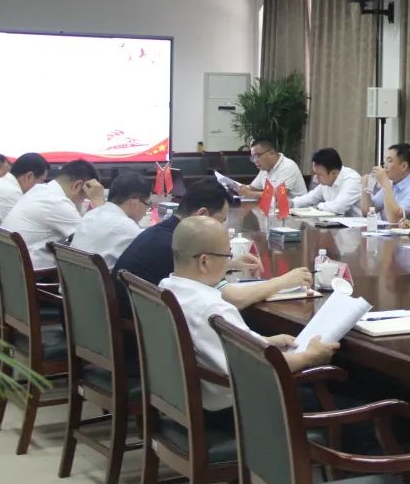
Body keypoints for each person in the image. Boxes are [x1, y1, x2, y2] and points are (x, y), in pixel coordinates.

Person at [158, 215, 338, 428]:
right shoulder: (212, 308)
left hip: (189, 402)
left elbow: (223, 345)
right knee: (339, 403)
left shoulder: (166, 287)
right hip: (236, 412)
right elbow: (259, 366)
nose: (228, 262)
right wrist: (309, 356)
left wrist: (265, 341)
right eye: (227, 255)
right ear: (204, 261)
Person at [112, 178, 312, 318]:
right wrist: (283, 281)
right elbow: (234, 299)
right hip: (147, 342)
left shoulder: (163, 233)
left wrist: (229, 263)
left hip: (141, 329)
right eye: (221, 220)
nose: (222, 227)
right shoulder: (176, 246)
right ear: (202, 214)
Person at [0, 159, 104, 274]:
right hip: (27, 277)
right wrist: (98, 201)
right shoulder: (57, 202)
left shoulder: (40, 190)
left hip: (7, 275)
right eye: (85, 198)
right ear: (77, 186)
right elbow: (96, 240)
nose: (84, 202)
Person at [70, 171, 151, 269]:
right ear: (134, 201)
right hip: (99, 279)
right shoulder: (126, 227)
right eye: (147, 205)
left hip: (73, 277)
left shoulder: (90, 215)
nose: (146, 212)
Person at [361, 143, 410, 223]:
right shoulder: (392, 183)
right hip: (394, 230)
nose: (385, 166)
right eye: (385, 161)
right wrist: (365, 186)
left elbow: (395, 219)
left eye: (389, 161)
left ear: (404, 166)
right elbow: (367, 212)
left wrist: (385, 182)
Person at [291, 148, 362, 217]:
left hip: (358, 223)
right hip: (336, 222)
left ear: (333, 173)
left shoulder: (352, 179)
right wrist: (292, 203)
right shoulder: (327, 180)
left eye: (319, 174)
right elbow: (311, 197)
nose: (316, 178)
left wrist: (317, 207)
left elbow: (339, 207)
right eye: (315, 173)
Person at [237, 138, 307, 199]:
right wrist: (239, 188)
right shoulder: (264, 168)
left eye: (258, 156)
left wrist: (250, 194)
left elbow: (279, 194)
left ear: (271, 153)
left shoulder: (287, 166)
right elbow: (252, 187)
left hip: (297, 208)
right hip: (275, 207)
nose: (255, 161)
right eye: (253, 157)